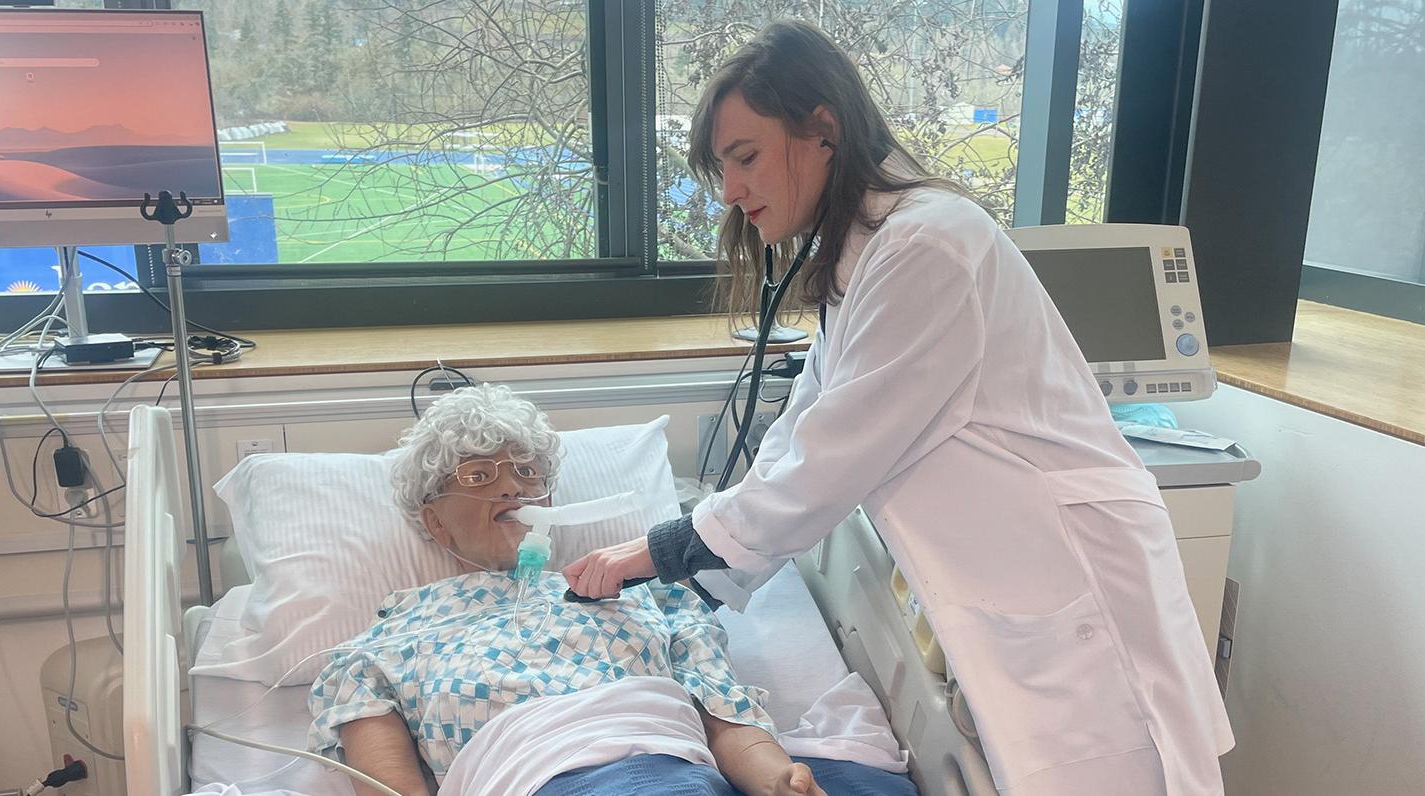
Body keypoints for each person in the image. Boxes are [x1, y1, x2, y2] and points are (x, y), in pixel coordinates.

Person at [564, 20, 1233, 796]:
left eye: (745, 157)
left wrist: (665, 550)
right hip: (1023, 575)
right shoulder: (864, 256)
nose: (730, 192)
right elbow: (803, 428)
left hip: (1074, 581)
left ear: (823, 130)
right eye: (721, 168)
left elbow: (829, 461)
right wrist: (695, 560)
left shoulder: (928, 247)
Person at [308, 384, 916, 796]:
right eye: (479, 474)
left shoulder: (646, 592)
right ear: (434, 521)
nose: (511, 488)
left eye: (527, 472)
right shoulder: (395, 634)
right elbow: (388, 784)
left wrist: (778, 779)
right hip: (531, 775)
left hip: (679, 768)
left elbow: (724, 716)